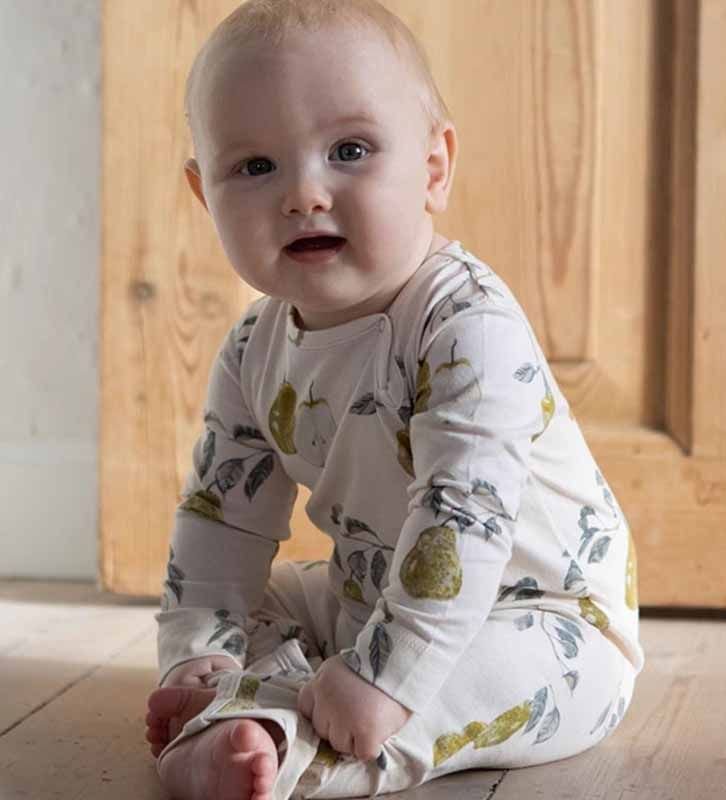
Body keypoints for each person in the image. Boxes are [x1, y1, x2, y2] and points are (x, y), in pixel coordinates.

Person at [143, 1, 645, 798]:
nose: (304, 193)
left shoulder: (465, 326)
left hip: (542, 619)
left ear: (433, 170)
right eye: (256, 166)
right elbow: (222, 519)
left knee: (455, 689)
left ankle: (275, 747)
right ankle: (232, 699)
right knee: (246, 601)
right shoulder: (251, 348)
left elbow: (462, 519)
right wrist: (199, 652)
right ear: (205, 197)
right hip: (370, 593)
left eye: (349, 151)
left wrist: (384, 676)